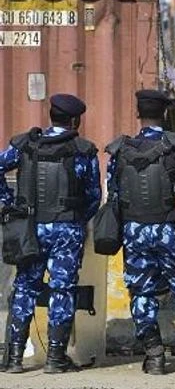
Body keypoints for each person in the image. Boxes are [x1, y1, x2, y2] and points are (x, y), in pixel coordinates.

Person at [105, 90, 175, 376]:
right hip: (171, 229)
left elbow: (115, 194)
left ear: (138, 115)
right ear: (165, 114)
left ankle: (155, 358)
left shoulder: (120, 150)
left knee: (141, 293)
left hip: (134, 231)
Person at [0, 94, 101, 374]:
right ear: (75, 120)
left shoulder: (25, 145)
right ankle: (55, 359)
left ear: (50, 116)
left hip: (30, 228)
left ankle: (14, 359)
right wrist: (76, 221)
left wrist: (11, 204)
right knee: (63, 289)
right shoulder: (83, 151)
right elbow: (94, 196)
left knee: (24, 287)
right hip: (67, 229)